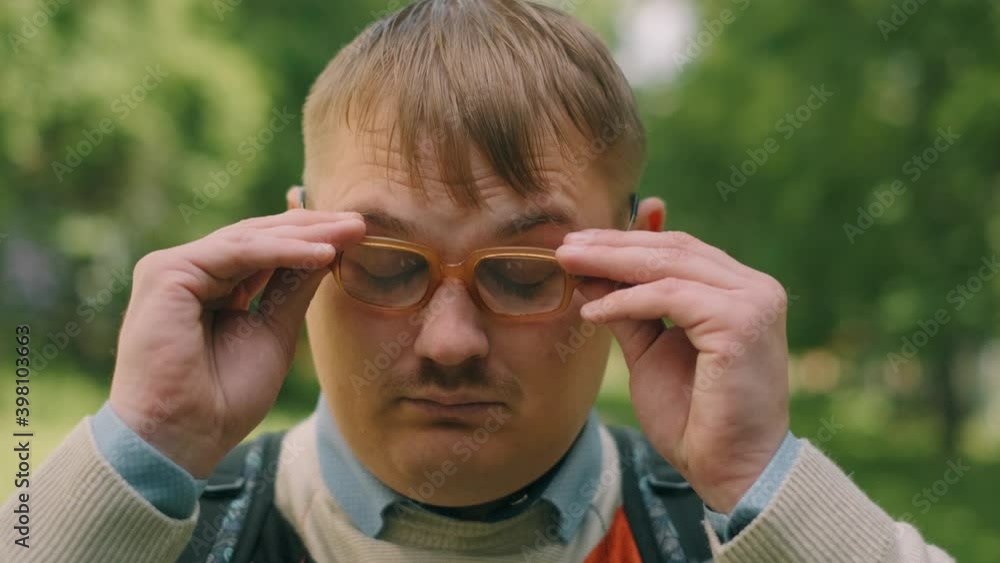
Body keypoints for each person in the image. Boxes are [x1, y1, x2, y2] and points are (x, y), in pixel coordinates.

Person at [3, 1, 954, 561]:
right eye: (383, 263)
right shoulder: (155, 530)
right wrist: (141, 450)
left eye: (526, 272)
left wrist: (761, 483)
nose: (449, 341)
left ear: (639, 262)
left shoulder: (731, 536)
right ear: (295, 250)